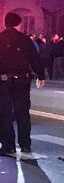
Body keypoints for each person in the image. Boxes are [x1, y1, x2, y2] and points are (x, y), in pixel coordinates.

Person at [0, 13, 46, 155]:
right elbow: (35, 59)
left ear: (4, 23)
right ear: (19, 24)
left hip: (3, 81)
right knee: (22, 113)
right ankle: (25, 145)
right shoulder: (25, 40)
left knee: (4, 114)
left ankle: (9, 146)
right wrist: (41, 75)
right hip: (22, 80)